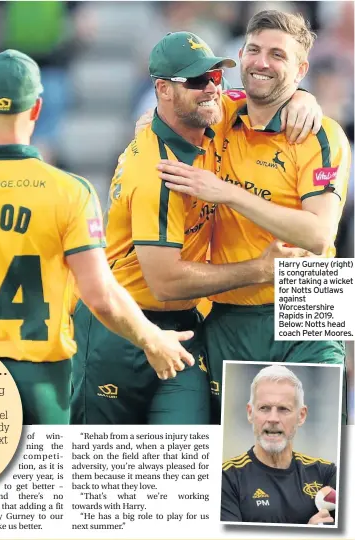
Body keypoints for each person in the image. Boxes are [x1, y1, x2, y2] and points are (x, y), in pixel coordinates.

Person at [0, 49, 197, 425]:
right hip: (41, 381)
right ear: (37, 109)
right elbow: (100, 296)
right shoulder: (70, 191)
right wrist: (153, 339)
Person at [70, 32, 310, 426]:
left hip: (199, 320)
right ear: (163, 90)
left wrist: (302, 96)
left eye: (216, 76)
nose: (213, 88)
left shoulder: (216, 122)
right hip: (121, 327)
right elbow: (164, 282)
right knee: (105, 471)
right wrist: (260, 269)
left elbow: (320, 236)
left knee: (190, 459)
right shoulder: (155, 172)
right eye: (198, 81)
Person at [156, 11, 351, 421]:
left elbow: (319, 235)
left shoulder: (322, 132)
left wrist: (226, 193)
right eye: (255, 50)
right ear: (240, 54)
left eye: (278, 55)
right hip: (231, 303)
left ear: (301, 69)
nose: (262, 62)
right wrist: (301, 94)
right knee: (233, 464)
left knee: (316, 458)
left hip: (312, 297)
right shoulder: (219, 113)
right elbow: (153, 118)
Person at [221, 365, 337, 525]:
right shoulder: (226, 478)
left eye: (283, 409)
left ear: (301, 416)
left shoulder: (326, 474)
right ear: (250, 413)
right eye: (264, 408)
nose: (273, 418)